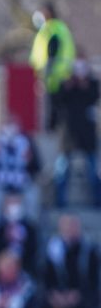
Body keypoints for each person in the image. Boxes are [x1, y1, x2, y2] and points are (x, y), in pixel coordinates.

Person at [41, 214, 100, 308]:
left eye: (74, 227)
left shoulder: (89, 250)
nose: (71, 230)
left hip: (81, 294)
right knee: (42, 303)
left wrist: (76, 294)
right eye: (67, 227)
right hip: (59, 295)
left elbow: (93, 279)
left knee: (92, 302)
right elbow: (46, 277)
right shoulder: (52, 249)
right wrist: (56, 294)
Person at [52, 58, 100, 208]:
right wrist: (69, 86)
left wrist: (83, 84)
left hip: (86, 135)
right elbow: (57, 100)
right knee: (62, 170)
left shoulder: (91, 84)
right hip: (68, 135)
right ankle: (60, 202)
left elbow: (93, 96)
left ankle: (98, 202)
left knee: (93, 170)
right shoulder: (66, 84)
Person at [29, 2, 76, 131]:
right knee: (57, 109)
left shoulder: (51, 28)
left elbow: (52, 49)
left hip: (53, 76)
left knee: (53, 110)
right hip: (59, 75)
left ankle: (52, 133)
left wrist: (46, 71)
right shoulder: (59, 27)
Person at [0, 118, 40, 221]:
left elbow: (37, 167)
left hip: (22, 183)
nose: (10, 129)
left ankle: (32, 229)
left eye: (12, 125)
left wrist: (30, 160)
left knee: (32, 197)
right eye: (7, 125)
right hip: (0, 183)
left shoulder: (27, 141)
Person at [0, 192, 39, 276]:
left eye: (16, 202)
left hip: (25, 268)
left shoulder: (30, 228)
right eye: (10, 203)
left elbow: (33, 250)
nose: (13, 207)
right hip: (4, 269)